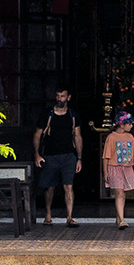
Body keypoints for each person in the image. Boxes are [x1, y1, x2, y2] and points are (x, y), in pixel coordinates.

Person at [31, 87, 83, 226]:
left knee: (68, 186)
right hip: (50, 155)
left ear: (68, 98)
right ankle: (48, 214)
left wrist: (79, 158)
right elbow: (37, 134)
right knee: (49, 186)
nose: (60, 99)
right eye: (58, 96)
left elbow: (77, 136)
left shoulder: (72, 115)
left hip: (68, 155)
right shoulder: (47, 114)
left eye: (63, 96)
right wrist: (37, 154)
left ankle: (69, 216)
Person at [101, 112, 134, 230]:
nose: (131, 126)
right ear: (122, 124)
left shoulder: (130, 137)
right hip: (115, 168)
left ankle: (118, 218)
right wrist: (105, 172)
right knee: (119, 193)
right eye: (129, 123)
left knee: (122, 194)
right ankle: (122, 220)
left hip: (127, 168)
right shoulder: (111, 137)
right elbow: (106, 157)